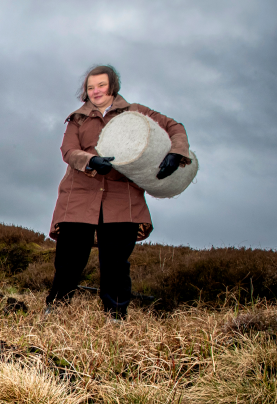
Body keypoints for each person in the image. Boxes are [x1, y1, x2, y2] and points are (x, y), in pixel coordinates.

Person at [47, 65, 190, 319]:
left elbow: (174, 126)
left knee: (115, 263)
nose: (96, 91)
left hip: (121, 197)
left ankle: (116, 317)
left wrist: (176, 152)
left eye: (101, 85)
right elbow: (68, 151)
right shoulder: (77, 119)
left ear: (112, 86)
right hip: (78, 195)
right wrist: (91, 161)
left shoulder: (137, 112)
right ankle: (55, 309)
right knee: (69, 260)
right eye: (90, 87)